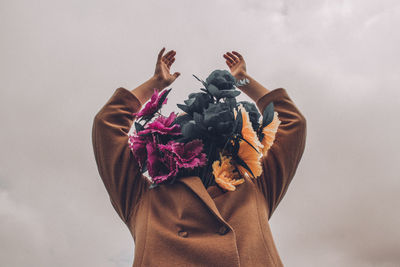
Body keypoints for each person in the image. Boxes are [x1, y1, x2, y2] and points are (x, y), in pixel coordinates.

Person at [92, 47, 307, 267]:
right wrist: (156, 84)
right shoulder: (141, 197)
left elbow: (293, 124)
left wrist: (242, 81)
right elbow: (107, 124)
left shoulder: (253, 188)